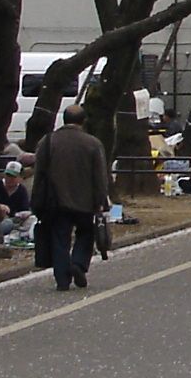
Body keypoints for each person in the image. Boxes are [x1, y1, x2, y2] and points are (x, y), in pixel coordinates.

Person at [32, 103, 111, 291]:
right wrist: (102, 200)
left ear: (64, 119)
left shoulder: (48, 141)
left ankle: (62, 277)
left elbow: (39, 173)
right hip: (85, 200)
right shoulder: (92, 143)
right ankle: (78, 263)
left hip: (56, 200)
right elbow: (99, 176)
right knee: (86, 233)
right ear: (83, 121)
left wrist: (36, 201)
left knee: (59, 237)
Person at [0, 160, 31, 234]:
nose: (9, 179)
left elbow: (24, 209)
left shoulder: (22, 190)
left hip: (15, 221)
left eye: (13, 176)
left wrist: (24, 214)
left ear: (20, 178)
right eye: (8, 175)